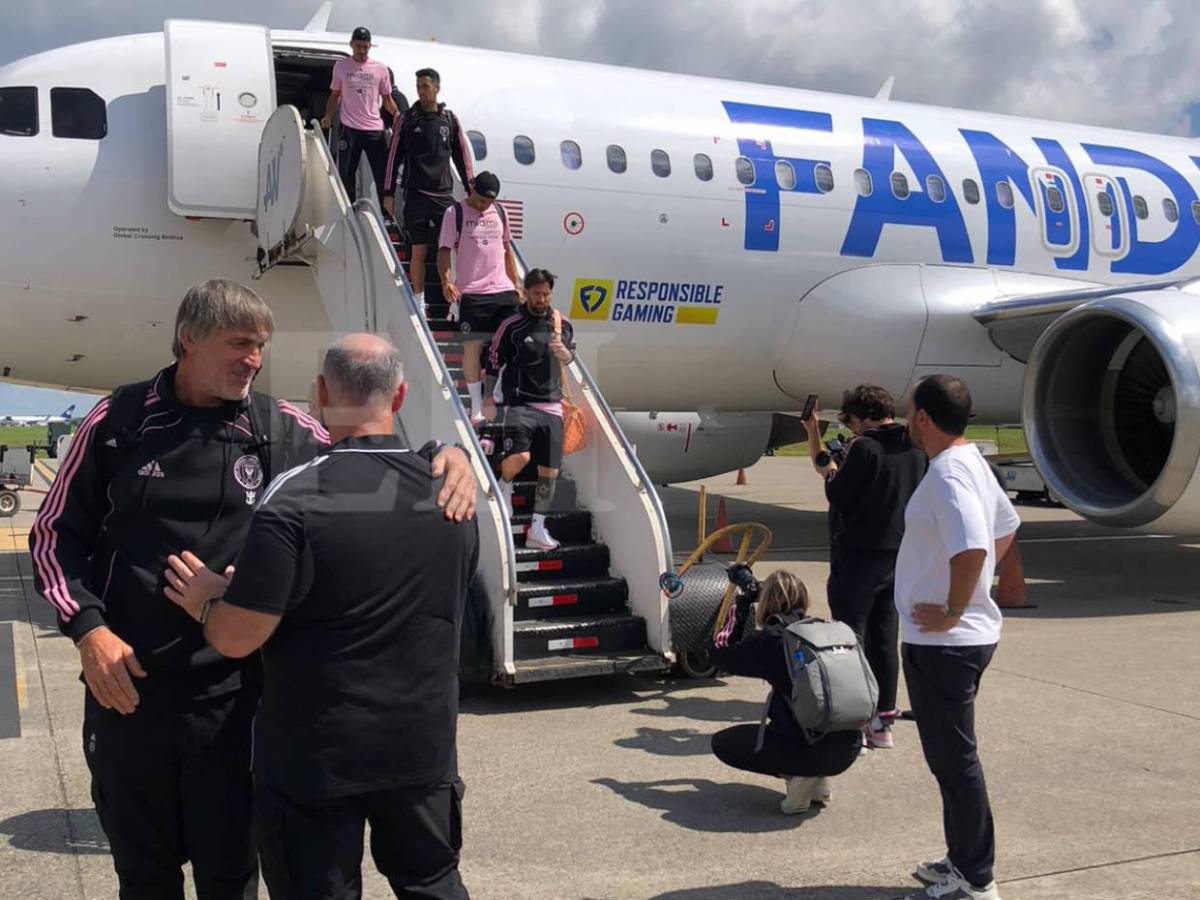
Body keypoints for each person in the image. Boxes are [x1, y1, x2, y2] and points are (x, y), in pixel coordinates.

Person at [27, 279, 475, 899]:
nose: (255, 360)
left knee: (232, 877)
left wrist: (448, 456)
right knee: (143, 876)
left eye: (261, 346)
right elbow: (52, 535)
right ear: (189, 338)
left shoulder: (277, 426)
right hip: (128, 692)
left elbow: (368, 457)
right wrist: (88, 631)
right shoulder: (119, 421)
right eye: (239, 343)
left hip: (236, 701)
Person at [165, 334, 478, 900]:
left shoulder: (293, 497)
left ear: (318, 394)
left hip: (318, 757)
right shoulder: (452, 495)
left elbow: (238, 638)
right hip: (422, 746)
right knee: (432, 882)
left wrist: (207, 600)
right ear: (400, 395)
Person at [896, 374, 1020, 900]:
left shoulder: (948, 474)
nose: (907, 419)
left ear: (923, 417)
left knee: (954, 760)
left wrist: (953, 607)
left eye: (910, 412)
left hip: (944, 644)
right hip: (960, 639)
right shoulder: (972, 462)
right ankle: (962, 857)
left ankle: (975, 877)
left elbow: (972, 548)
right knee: (951, 759)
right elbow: (1006, 527)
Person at [803, 385, 926, 749]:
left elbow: (837, 493)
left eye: (852, 422)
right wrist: (814, 437)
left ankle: (852, 715)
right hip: (898, 555)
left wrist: (831, 468)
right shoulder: (914, 450)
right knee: (885, 639)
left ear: (859, 417)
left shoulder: (864, 447)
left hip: (857, 556)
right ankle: (882, 721)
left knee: (850, 638)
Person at [708, 569, 862, 815]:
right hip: (848, 748)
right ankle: (817, 780)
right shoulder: (824, 631)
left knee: (724, 743)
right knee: (807, 719)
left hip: (807, 749)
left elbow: (720, 654)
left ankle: (799, 776)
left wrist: (743, 602)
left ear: (766, 602)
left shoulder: (773, 640)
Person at [483, 268, 574, 549]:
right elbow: (494, 361)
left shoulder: (561, 324)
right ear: (525, 293)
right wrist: (487, 398)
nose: (542, 299)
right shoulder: (512, 325)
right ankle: (504, 482)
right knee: (521, 457)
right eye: (537, 294)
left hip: (553, 406)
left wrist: (564, 353)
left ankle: (537, 528)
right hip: (520, 403)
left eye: (546, 294)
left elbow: (571, 357)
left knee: (549, 473)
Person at [383, 68, 473, 310]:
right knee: (418, 250)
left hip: (443, 194)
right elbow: (394, 156)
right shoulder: (407, 119)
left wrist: (470, 186)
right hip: (415, 194)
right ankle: (419, 300)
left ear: (436, 88)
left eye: (425, 86)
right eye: (418, 87)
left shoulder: (450, 120)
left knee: (455, 246)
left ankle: (457, 296)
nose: (421, 91)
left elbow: (461, 156)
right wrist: (389, 192)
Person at [438, 171, 521, 424]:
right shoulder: (455, 213)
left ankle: (496, 394)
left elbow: (506, 251)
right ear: (472, 189)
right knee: (472, 347)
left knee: (514, 342)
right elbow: (443, 250)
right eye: (483, 200)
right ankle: (475, 406)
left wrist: (516, 284)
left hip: (503, 289)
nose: (486, 205)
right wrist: (446, 281)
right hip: (473, 291)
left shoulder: (501, 214)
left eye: (490, 201)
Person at [321, 27, 401, 203]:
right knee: (346, 174)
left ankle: (387, 215)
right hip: (349, 129)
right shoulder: (341, 67)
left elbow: (387, 99)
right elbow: (335, 95)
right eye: (358, 46)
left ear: (370, 46)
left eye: (365, 46)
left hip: (374, 129)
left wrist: (396, 115)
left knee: (382, 175)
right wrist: (327, 116)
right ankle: (348, 210)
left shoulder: (380, 69)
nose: (362, 50)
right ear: (351, 45)